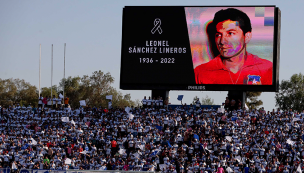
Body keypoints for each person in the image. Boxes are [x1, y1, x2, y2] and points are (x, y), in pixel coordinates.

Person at [194, 8, 273, 85]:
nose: (222, 41)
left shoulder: (266, 68)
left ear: (247, 37)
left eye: (230, 33)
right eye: (218, 35)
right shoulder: (200, 72)